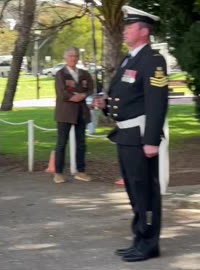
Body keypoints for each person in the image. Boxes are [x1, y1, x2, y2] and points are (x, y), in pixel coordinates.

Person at [92, 6, 169, 262]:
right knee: (135, 191)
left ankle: (149, 243)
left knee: (145, 191)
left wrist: (151, 140)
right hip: (125, 136)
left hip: (140, 137)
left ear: (144, 31)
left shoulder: (152, 60)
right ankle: (140, 238)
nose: (124, 30)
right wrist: (105, 102)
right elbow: (125, 95)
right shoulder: (129, 59)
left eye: (130, 26)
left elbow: (156, 103)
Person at [53, 47, 93, 183]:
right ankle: (58, 173)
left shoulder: (84, 74)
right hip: (65, 113)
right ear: (65, 58)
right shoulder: (60, 74)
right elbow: (61, 92)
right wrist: (73, 97)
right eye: (70, 56)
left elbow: (90, 88)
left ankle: (80, 171)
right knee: (61, 143)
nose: (73, 58)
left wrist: (83, 95)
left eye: (75, 56)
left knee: (81, 143)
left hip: (81, 113)